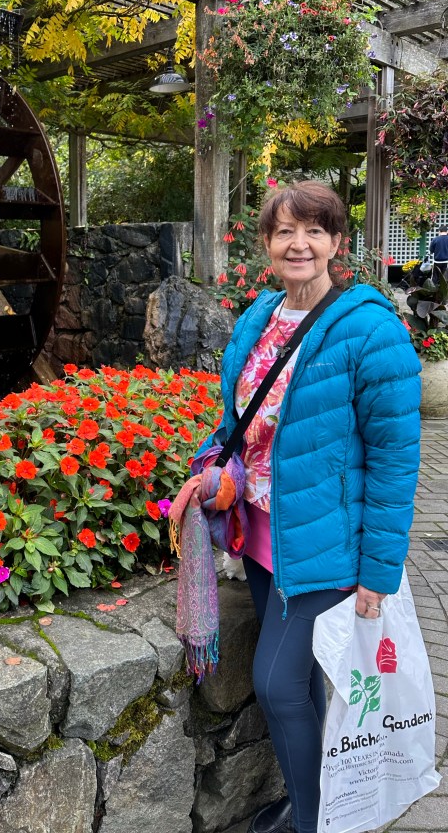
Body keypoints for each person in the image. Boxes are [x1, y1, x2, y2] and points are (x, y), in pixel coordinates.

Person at [177, 181, 421, 833]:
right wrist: (209, 471)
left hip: (328, 544)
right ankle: (313, 805)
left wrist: (379, 573)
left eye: (315, 230)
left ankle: (316, 822)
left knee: (277, 683)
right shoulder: (259, 318)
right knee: (303, 682)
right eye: (285, 230)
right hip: (262, 536)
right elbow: (236, 421)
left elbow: (396, 461)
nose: (299, 243)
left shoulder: (372, 331)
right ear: (267, 243)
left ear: (338, 243)